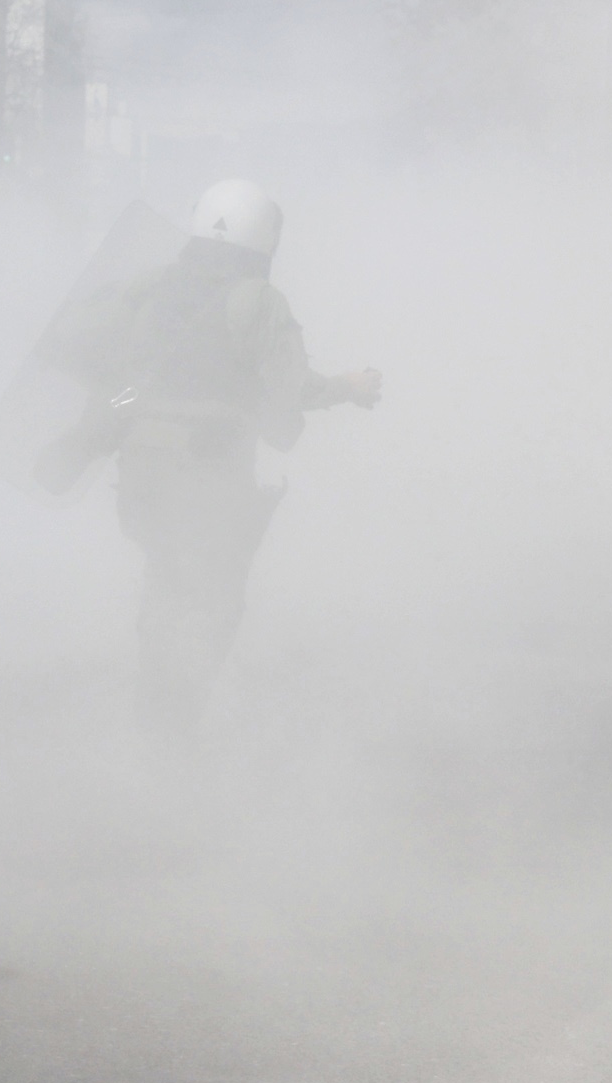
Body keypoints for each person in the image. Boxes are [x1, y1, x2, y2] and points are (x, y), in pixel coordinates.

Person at [47, 178, 378, 739]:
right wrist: (348, 386)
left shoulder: (152, 285)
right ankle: (173, 730)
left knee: (165, 582)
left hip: (140, 467)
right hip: (208, 472)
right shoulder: (261, 301)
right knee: (212, 602)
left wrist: (105, 417)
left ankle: (152, 720)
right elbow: (289, 395)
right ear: (266, 236)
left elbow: (96, 356)